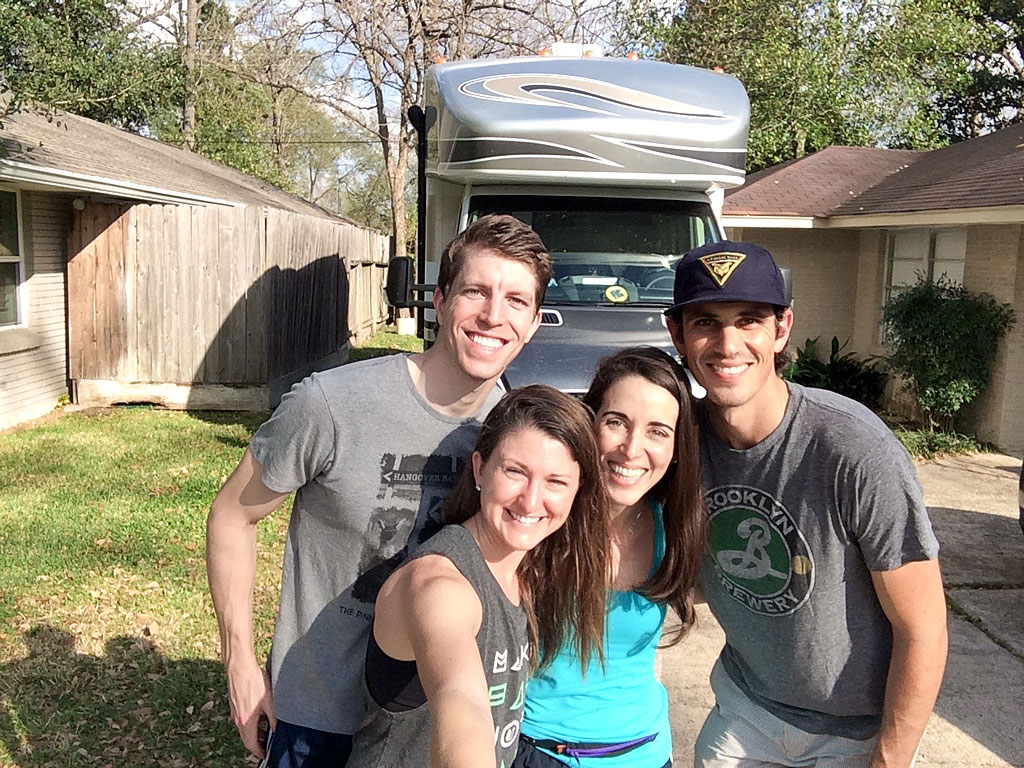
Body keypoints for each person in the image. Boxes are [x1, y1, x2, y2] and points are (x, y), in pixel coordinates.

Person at [206, 214, 553, 768]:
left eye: (516, 301)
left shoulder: (512, 435)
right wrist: (239, 663)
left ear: (533, 324)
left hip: (426, 728)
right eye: (476, 292)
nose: (493, 315)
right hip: (319, 717)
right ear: (439, 301)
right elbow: (232, 516)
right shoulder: (332, 404)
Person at [664, 240, 948, 768]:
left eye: (749, 321)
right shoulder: (676, 443)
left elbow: (924, 628)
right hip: (746, 712)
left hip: (857, 734)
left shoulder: (852, 449)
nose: (728, 344)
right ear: (677, 334)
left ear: (782, 329)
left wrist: (889, 758)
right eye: (706, 322)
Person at [349, 385, 610, 768]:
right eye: (515, 472)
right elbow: (460, 698)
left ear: (577, 491)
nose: (530, 501)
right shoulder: (439, 585)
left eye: (556, 482)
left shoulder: (523, 572)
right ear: (479, 469)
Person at [512, 347, 705, 768]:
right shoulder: (540, 519)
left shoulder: (676, 531)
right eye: (616, 422)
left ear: (677, 448)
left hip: (647, 755)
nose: (632, 449)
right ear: (590, 422)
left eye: (658, 431)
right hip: (538, 751)